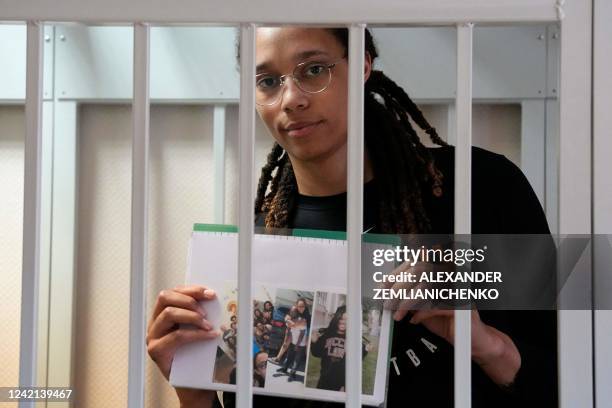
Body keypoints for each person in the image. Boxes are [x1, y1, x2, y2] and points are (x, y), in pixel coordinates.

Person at [146, 27, 557, 407]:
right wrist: (194, 392)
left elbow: (572, 379)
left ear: (361, 64)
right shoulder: (255, 254)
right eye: (268, 81)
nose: (291, 99)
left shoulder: (482, 188)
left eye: (313, 70)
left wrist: (486, 344)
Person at [310, 305, 370, 391]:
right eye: (341, 318)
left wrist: (365, 350)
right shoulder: (327, 334)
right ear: (336, 318)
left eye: (347, 320)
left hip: (341, 382)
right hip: (324, 379)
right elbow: (316, 353)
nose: (343, 322)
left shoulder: (353, 338)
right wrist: (314, 342)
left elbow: (356, 360)